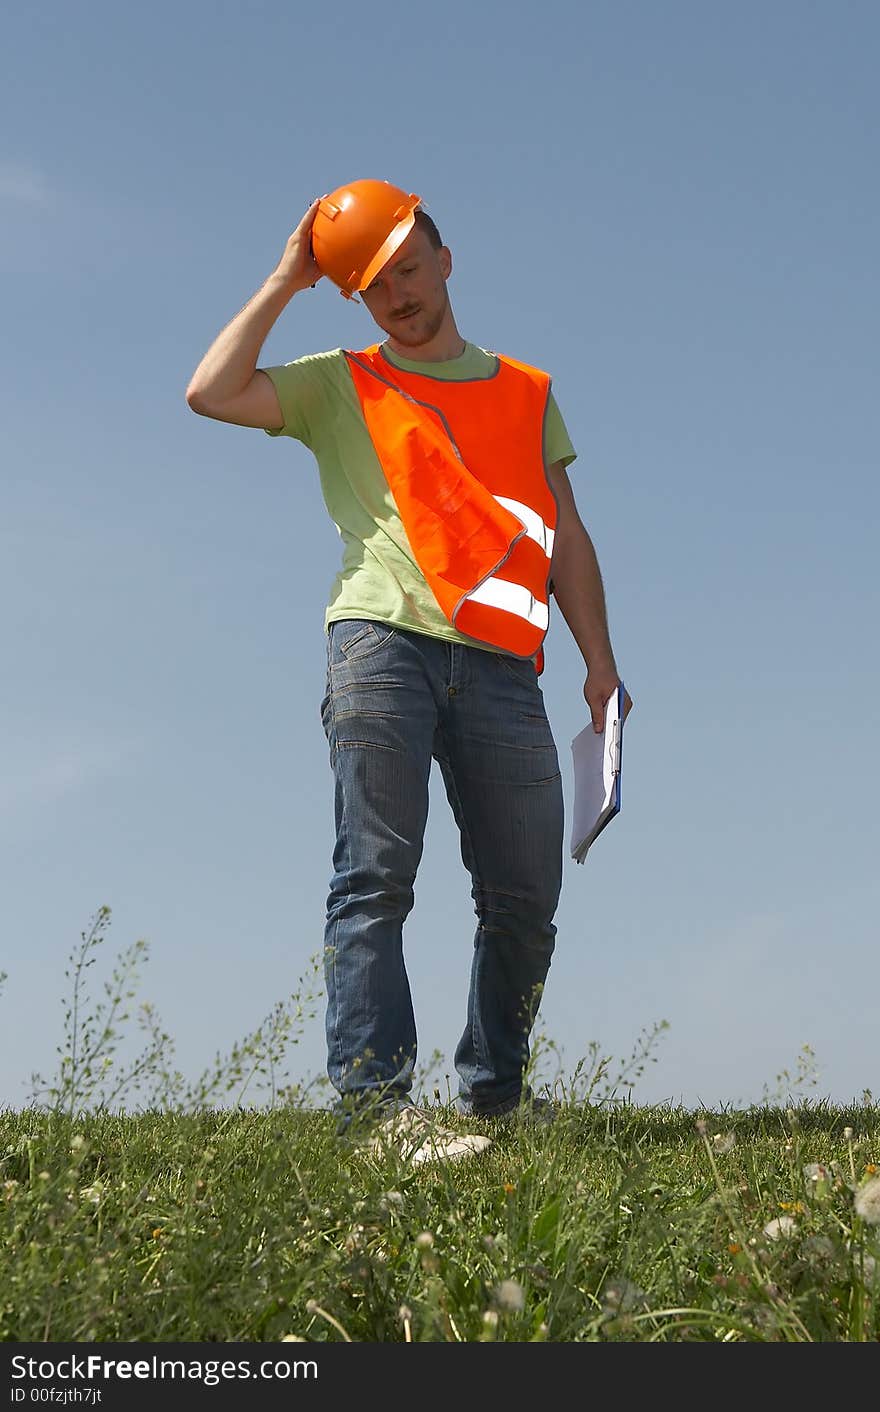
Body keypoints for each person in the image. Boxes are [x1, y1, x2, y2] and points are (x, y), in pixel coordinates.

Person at [186, 181, 633, 1164]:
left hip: (507, 668)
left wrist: (600, 665)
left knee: (524, 895)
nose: (398, 294)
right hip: (378, 644)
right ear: (355, 298)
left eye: (409, 268)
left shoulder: (526, 390)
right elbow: (211, 390)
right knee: (375, 876)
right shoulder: (336, 383)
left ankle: (494, 1096)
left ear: (445, 258)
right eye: (373, 284)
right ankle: (376, 1114)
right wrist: (284, 279)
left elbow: (567, 538)